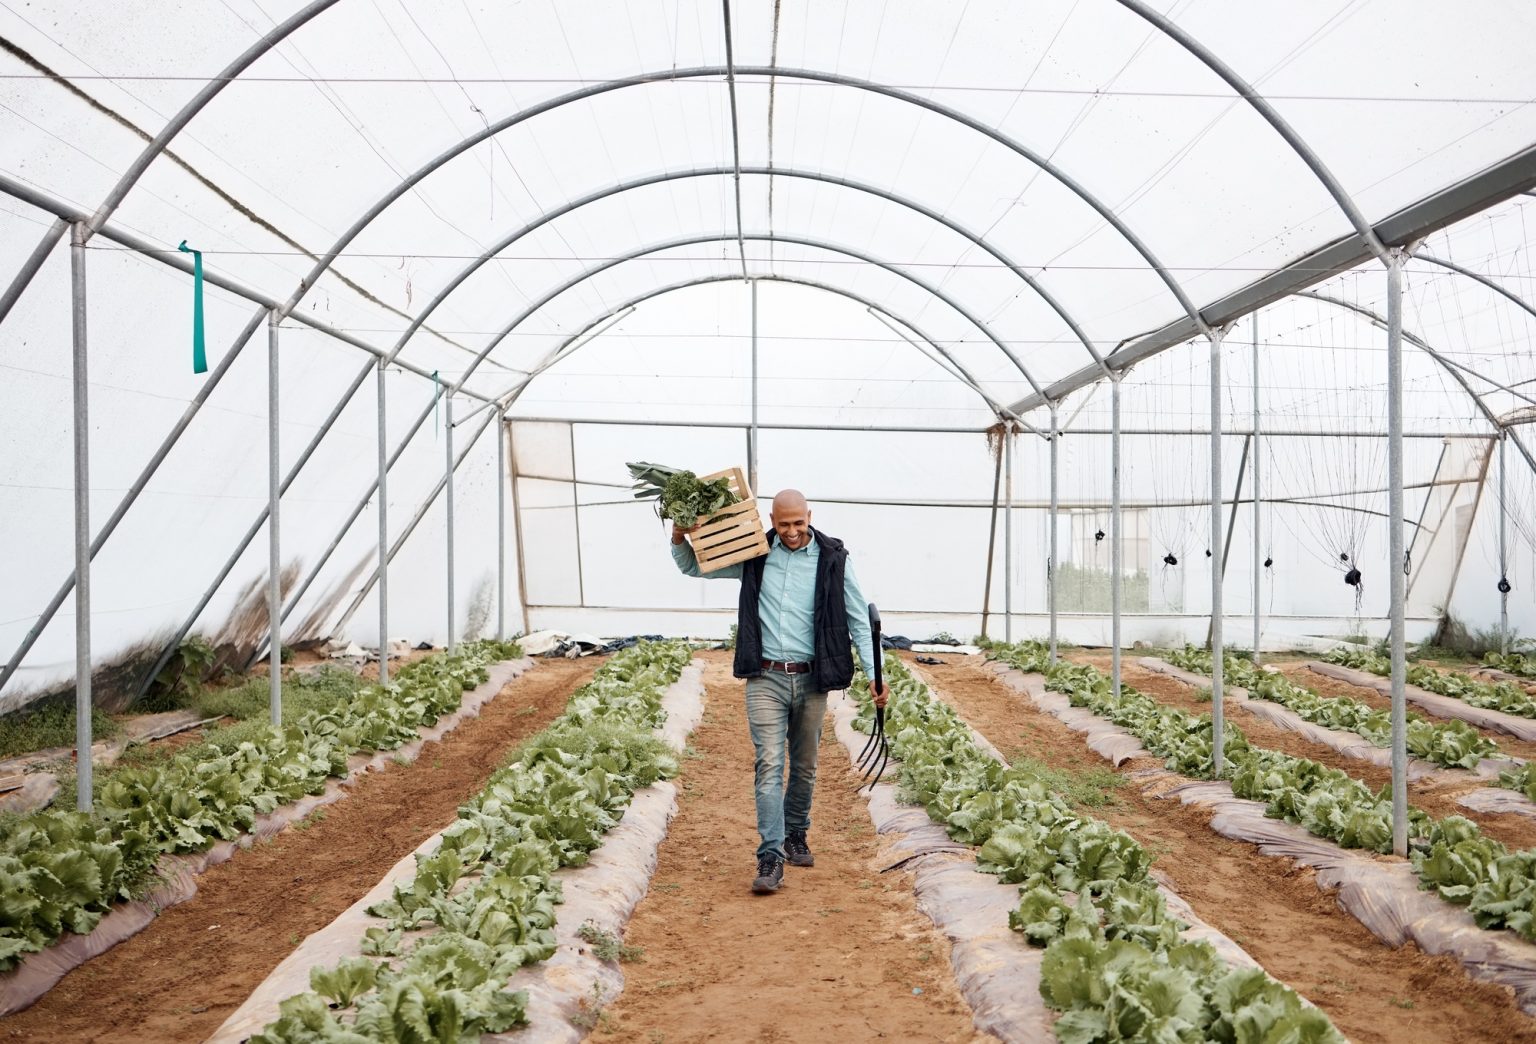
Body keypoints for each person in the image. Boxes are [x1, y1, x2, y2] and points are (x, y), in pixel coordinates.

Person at [670, 488, 887, 895]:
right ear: (771, 520)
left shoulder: (834, 559)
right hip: (765, 677)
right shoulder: (753, 552)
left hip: (812, 677)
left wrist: (876, 674)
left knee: (804, 766)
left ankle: (796, 833)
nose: (791, 531)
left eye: (798, 523)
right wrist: (679, 536)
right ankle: (770, 855)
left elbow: (860, 620)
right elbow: (695, 568)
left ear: (810, 516)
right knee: (769, 764)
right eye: (783, 523)